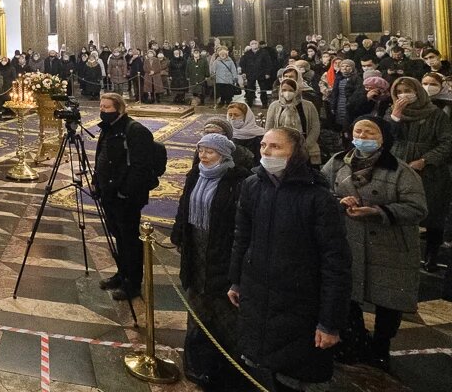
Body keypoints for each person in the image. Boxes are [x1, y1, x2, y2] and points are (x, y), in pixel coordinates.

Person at [228, 127, 351, 391]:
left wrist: (329, 322)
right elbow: (242, 237)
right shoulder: (252, 185)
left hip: (300, 301)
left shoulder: (317, 197)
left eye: (276, 147)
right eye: (263, 146)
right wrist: (236, 281)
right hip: (260, 293)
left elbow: (335, 263)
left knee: (295, 376)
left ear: (295, 153)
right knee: (261, 367)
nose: (266, 152)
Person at [322, 116, 426, 372]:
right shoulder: (336, 163)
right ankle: (355, 341)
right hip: (349, 240)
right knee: (349, 294)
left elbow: (417, 208)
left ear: (383, 138)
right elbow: (320, 192)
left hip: (389, 247)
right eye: (359, 131)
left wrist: (377, 211)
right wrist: (338, 201)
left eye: (370, 133)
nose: (363, 137)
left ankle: (381, 345)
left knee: (388, 300)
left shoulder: (401, 171)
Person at [171, 133, 250, 389]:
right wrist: (179, 233)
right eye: (201, 150)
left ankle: (227, 369)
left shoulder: (238, 180)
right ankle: (196, 365)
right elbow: (185, 206)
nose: (203, 156)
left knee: (224, 315)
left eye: (210, 152)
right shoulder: (195, 175)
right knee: (197, 310)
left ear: (224, 155)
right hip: (196, 250)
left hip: (222, 251)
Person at [93, 93, 158, 301]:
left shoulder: (135, 130)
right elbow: (101, 157)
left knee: (129, 239)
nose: (103, 111)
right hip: (109, 193)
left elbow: (140, 166)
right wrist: (97, 183)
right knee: (118, 236)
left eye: (107, 108)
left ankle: (133, 282)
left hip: (126, 196)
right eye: (101, 107)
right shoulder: (108, 128)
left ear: (119, 109)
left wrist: (125, 191)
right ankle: (121, 274)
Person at [387, 76, 452, 272]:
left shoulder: (436, 114)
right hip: (399, 163)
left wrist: (426, 160)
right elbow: (387, 137)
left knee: (433, 212)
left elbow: (447, 142)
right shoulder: (392, 112)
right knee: (400, 209)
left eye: (408, 90)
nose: (403, 95)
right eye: (399, 92)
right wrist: (395, 116)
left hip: (430, 170)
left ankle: (431, 255)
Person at [265, 78, 320, 166]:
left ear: (296, 91)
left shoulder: (308, 106)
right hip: (280, 147)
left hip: (304, 147)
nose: (287, 93)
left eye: (291, 90)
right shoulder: (274, 106)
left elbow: (315, 127)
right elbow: (269, 127)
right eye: (284, 90)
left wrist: (305, 145)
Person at [239, 40, 276, 107]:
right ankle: (249, 103)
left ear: (258, 44)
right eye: (252, 44)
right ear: (250, 45)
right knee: (250, 89)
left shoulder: (264, 52)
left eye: (255, 43)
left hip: (261, 73)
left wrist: (267, 73)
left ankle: (264, 103)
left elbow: (268, 63)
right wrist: (243, 72)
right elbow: (243, 64)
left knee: (263, 89)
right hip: (250, 73)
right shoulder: (247, 53)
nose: (254, 45)